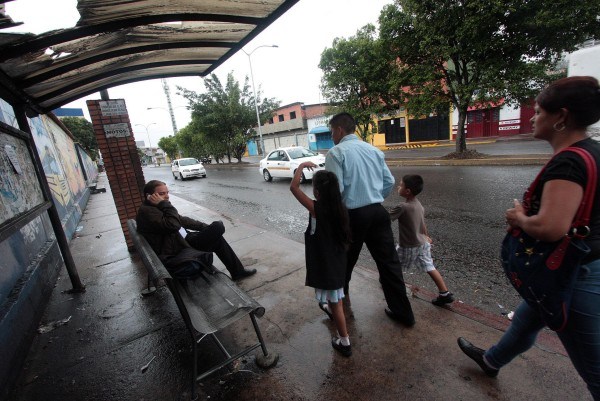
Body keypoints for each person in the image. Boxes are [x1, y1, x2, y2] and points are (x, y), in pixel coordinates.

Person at [457, 76, 600, 400]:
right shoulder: (592, 152)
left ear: (560, 116)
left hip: (575, 277)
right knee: (526, 318)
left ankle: (493, 359)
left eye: (538, 111)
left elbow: (552, 228)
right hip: (578, 268)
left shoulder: (569, 162)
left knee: (593, 369)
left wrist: (520, 217)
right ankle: (492, 360)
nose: (533, 118)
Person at [325, 112, 415, 326]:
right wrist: (373, 198)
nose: (331, 137)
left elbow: (335, 192)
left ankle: (339, 307)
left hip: (352, 216)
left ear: (338, 130)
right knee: (389, 265)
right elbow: (389, 181)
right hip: (377, 213)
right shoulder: (373, 150)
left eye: (331, 132)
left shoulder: (336, 153)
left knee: (343, 263)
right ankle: (404, 314)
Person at [290, 162, 353, 356]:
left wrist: (300, 166)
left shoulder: (316, 209)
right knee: (335, 298)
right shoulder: (340, 208)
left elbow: (294, 187)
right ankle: (329, 306)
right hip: (338, 262)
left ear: (317, 192)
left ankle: (345, 342)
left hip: (327, 266)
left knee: (338, 304)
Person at [136, 180, 256, 281]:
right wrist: (165, 205)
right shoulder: (148, 212)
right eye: (162, 193)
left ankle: (238, 272)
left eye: (167, 193)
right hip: (179, 249)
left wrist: (205, 227)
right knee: (218, 227)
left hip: (183, 241)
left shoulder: (156, 208)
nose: (166, 196)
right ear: (149, 196)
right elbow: (173, 225)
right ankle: (238, 272)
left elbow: (183, 220)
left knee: (216, 235)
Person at [389, 174, 454, 306]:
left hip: (408, 246)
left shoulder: (402, 207)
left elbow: (385, 218)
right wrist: (426, 236)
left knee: (393, 265)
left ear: (407, 191)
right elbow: (422, 223)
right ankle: (444, 293)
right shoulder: (419, 205)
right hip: (422, 243)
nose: (398, 186)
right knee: (429, 266)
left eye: (401, 185)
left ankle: (393, 288)